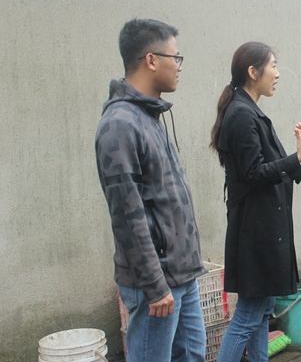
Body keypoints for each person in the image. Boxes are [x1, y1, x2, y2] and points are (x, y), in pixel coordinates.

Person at [209, 41, 301, 362]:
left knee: (261, 311)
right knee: (248, 315)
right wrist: (298, 156)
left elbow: (264, 167)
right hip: (255, 231)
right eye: (273, 66)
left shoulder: (248, 110)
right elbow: (255, 174)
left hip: (263, 228)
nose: (278, 73)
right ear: (253, 72)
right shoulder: (241, 114)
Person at [95, 18, 207, 362]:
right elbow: (127, 216)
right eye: (176, 57)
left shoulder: (149, 117)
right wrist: (155, 286)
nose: (180, 66)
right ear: (151, 60)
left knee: (192, 355)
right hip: (156, 286)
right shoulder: (120, 124)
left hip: (182, 276)